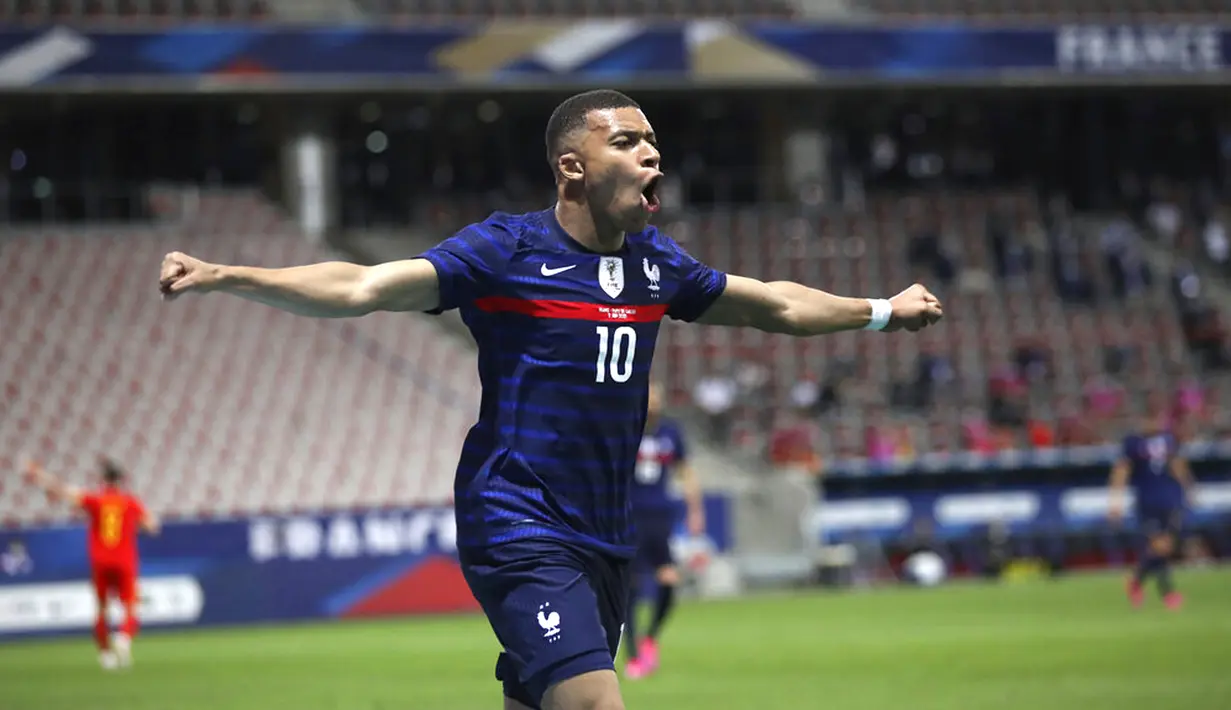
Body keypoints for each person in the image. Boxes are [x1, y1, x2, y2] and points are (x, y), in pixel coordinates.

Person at [158, 89, 943, 710]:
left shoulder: (654, 265)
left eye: (652, 143)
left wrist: (881, 310)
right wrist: (232, 277)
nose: (650, 154)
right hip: (518, 519)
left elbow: (773, 304)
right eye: (627, 142)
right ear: (571, 168)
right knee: (597, 703)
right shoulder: (506, 250)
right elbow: (362, 284)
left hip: (605, 534)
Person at [23, 457, 160, 669]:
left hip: (101, 561)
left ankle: (106, 656)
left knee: (102, 609)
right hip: (124, 560)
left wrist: (40, 476)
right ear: (121, 480)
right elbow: (152, 527)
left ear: (103, 480)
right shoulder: (130, 502)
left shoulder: (95, 500)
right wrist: (138, 528)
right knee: (131, 606)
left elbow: (63, 491)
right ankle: (123, 637)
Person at [623, 382, 702, 680]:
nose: (653, 401)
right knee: (630, 587)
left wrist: (695, 510)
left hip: (660, 517)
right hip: (629, 516)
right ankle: (632, 656)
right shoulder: (625, 427)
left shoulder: (671, 432)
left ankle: (650, 638)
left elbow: (685, 471)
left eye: (657, 396)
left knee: (669, 580)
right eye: (649, 395)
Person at [1108, 411, 1195, 610]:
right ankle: (1168, 593)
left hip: (1170, 499)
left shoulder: (1169, 439)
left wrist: (1188, 487)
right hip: (1147, 501)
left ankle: (1136, 581)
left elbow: (1177, 465)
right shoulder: (1132, 443)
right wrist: (1115, 502)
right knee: (1159, 546)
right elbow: (1121, 471)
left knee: (1165, 546)